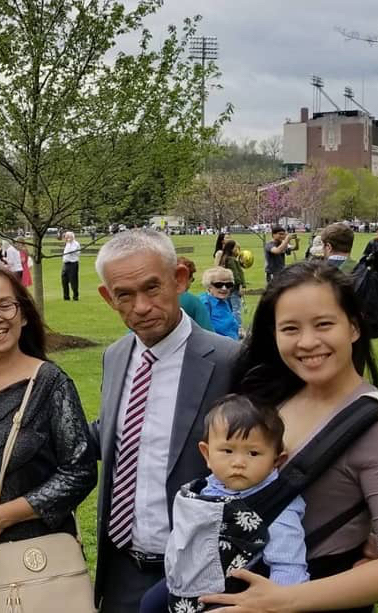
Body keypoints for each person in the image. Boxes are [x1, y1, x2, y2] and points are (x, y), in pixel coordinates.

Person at [206, 261, 378, 611]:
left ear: (353, 327)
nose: (308, 342)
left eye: (324, 324)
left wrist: (283, 599)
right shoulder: (272, 399)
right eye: (290, 328)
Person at [91, 229, 239, 612]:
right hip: (122, 569)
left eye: (152, 288)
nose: (141, 306)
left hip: (202, 571)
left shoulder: (229, 361)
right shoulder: (116, 355)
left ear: (180, 280)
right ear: (109, 298)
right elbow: (112, 434)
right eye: (124, 294)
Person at [0, 264, 97, 613]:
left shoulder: (51, 383)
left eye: (6, 305)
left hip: (36, 558)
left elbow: (80, 470)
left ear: (23, 314)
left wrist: (4, 515)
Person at [139, 395, 308, 613]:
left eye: (253, 453)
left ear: (277, 461)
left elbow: (288, 567)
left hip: (231, 592)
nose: (238, 462)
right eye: (227, 451)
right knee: (150, 604)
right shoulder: (207, 487)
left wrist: (276, 604)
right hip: (189, 579)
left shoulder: (277, 506)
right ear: (207, 454)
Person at [200, 266, 241, 340]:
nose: (224, 288)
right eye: (219, 285)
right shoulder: (204, 303)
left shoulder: (225, 301)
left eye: (228, 285)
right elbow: (203, 333)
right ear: (209, 286)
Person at [177, 256, 213, 332]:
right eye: (192, 280)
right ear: (184, 277)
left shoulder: (152, 298)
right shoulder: (193, 302)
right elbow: (207, 333)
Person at [216, 239, 246, 325]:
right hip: (235, 288)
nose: (238, 251)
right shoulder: (231, 260)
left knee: (228, 308)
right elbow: (235, 274)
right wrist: (241, 286)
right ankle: (238, 327)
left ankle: (229, 325)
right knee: (236, 309)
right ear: (231, 249)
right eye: (236, 248)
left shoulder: (225, 259)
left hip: (228, 288)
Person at [61, 230, 81, 301]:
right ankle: (66, 297)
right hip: (65, 264)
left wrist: (69, 242)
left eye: (67, 237)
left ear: (71, 237)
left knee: (73, 281)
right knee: (64, 281)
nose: (65, 238)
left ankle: (75, 296)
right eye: (65, 237)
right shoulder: (67, 243)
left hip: (73, 264)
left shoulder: (75, 244)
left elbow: (70, 252)